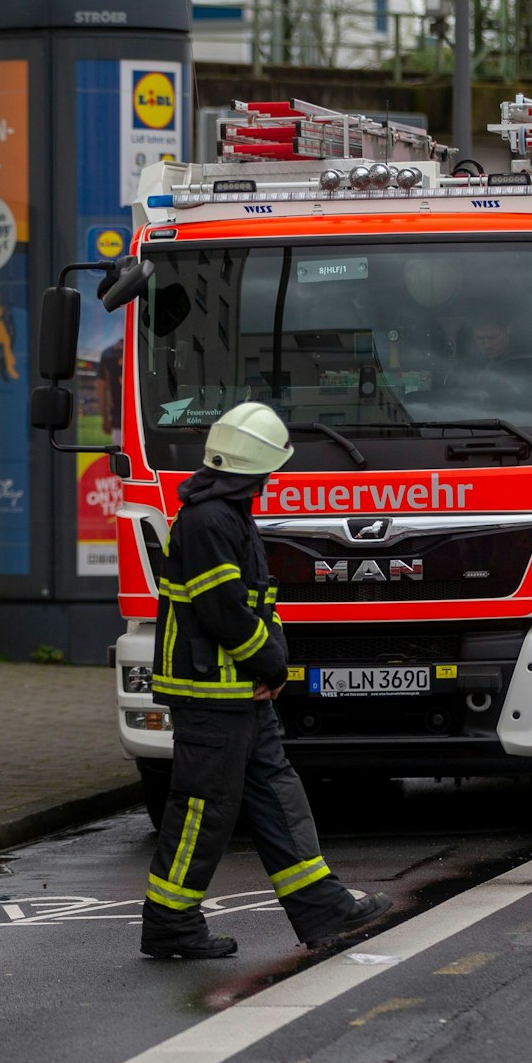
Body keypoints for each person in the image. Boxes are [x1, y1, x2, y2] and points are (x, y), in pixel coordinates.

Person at [142, 401, 393, 959]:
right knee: (203, 810)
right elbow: (223, 610)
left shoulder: (225, 514)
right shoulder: (210, 521)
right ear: (258, 468)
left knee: (279, 797)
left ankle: (322, 907)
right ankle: (170, 923)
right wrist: (271, 665)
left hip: (241, 695)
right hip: (212, 695)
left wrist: (271, 665)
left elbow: (250, 603)